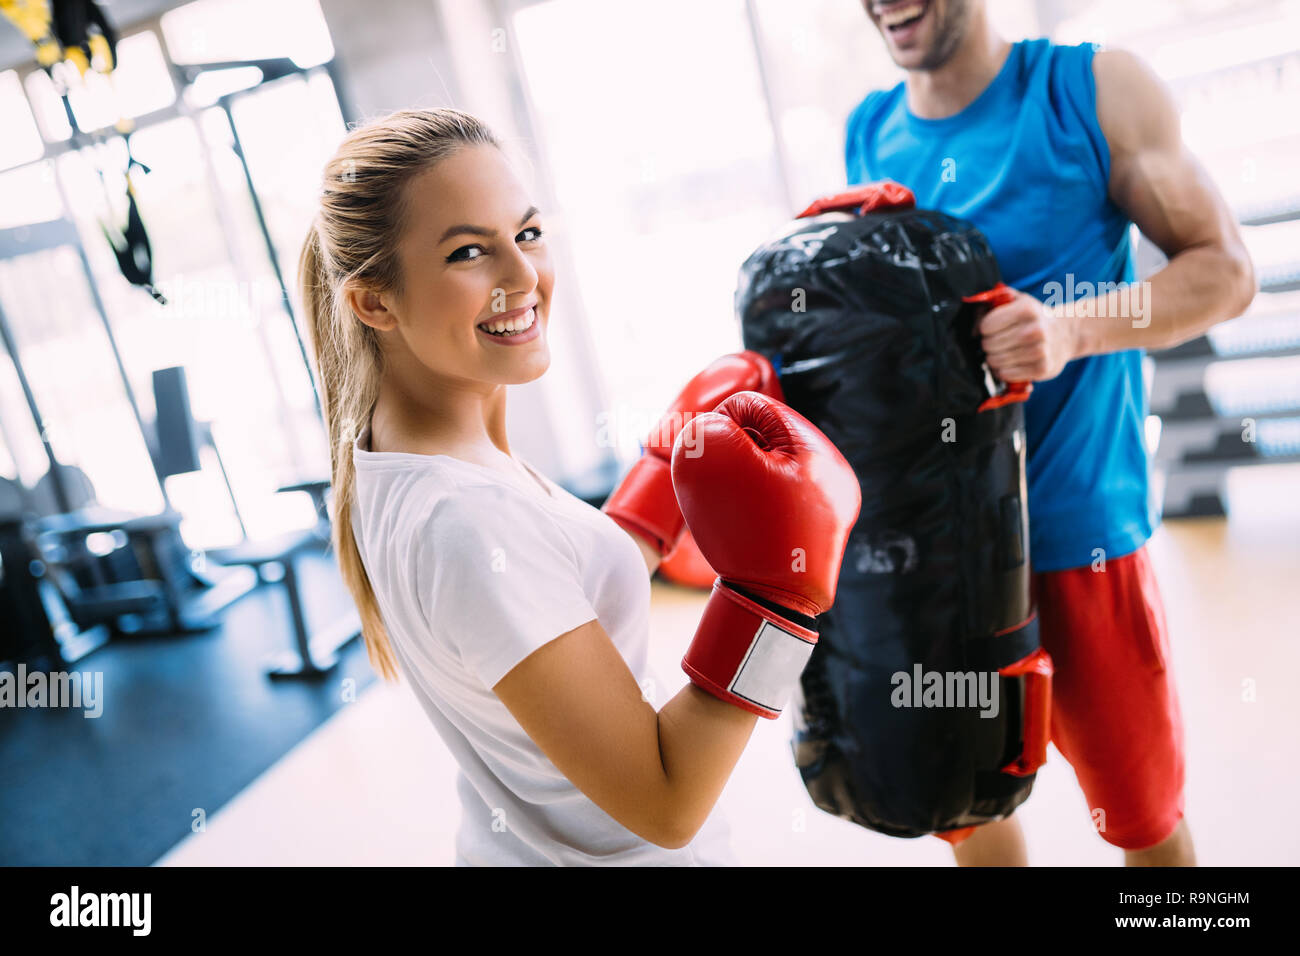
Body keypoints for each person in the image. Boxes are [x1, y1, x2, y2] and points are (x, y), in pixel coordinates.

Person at [297, 108, 860, 865]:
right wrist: (774, 600)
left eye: (526, 234)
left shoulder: (399, 460)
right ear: (374, 301)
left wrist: (657, 485)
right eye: (469, 252)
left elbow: (542, 598)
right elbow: (667, 803)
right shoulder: (466, 522)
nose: (524, 278)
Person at [845, 0, 1256, 865]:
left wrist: (1071, 331)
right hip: (939, 558)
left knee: (1140, 821)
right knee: (969, 807)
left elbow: (1226, 271)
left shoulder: (1092, 90)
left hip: (1080, 545)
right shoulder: (869, 131)